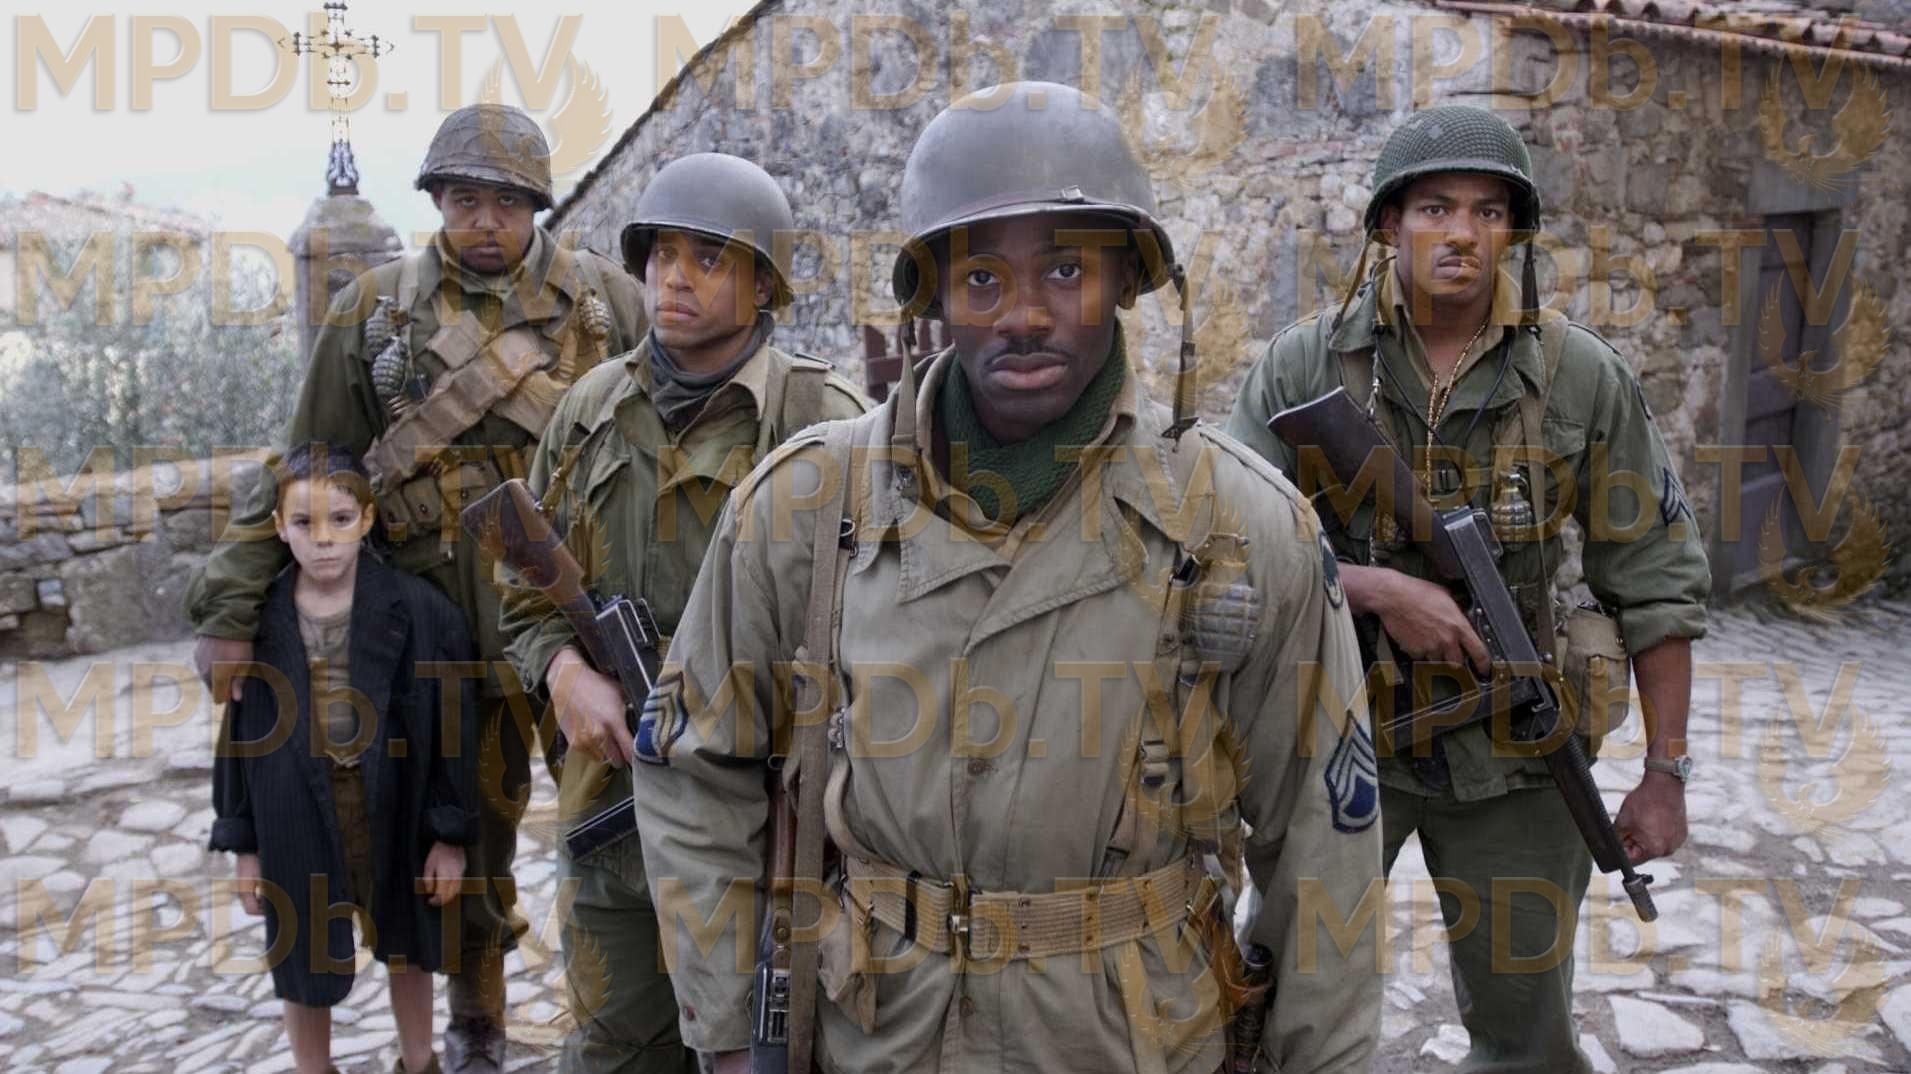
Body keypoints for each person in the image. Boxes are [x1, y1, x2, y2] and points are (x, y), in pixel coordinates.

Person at [630, 82, 1381, 1074]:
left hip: (1132, 1046)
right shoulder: (805, 505)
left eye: (1065, 270)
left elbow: (1323, 843)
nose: (1024, 315)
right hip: (879, 1039)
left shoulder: (1243, 524)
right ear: (934, 293)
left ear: (1125, 278)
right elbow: (693, 767)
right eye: (981, 277)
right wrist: (730, 1034)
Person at [1226, 104, 1710, 1073]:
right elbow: (1228, 544)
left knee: (1526, 1034)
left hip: (1518, 759)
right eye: (1435, 208)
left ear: (1512, 233)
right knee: (1279, 1004)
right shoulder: (1304, 364)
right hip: (1338, 741)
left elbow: (1655, 579)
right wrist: (1373, 588)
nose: (1461, 234)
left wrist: (1665, 773)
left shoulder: (1578, 376)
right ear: (1388, 224)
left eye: (1488, 212)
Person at [185, 103, 645, 1072]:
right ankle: (475, 1024)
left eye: (507, 202)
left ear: (538, 206)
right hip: (440, 625)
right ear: (436, 199)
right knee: (462, 831)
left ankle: (632, 1015)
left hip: (577, 611)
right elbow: (312, 460)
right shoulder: (375, 310)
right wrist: (231, 605)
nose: (485, 220)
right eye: (465, 199)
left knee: (622, 822)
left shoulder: (605, 301)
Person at [497, 152, 866, 1073]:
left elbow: (888, 616)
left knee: (775, 1045)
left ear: (763, 282)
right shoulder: (589, 411)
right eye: (662, 255)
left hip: (772, 816)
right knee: (618, 1045)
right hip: (613, 802)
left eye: (708, 258)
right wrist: (564, 673)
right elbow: (523, 589)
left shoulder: (826, 422)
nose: (675, 278)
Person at [210, 442, 478, 1074]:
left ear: (367, 518)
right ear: (279, 527)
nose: (324, 539)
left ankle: (419, 1061)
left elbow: (454, 731)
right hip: (295, 806)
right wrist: (244, 844)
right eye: (304, 522)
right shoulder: (259, 621)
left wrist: (449, 835)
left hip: (395, 798)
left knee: (409, 941)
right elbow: (239, 738)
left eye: (340, 518)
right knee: (302, 950)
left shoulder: (422, 611)